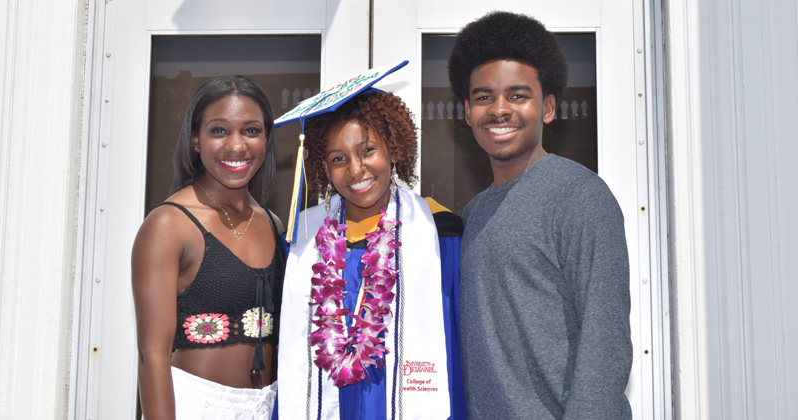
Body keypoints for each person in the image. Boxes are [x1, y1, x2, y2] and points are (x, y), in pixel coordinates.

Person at [448, 11, 633, 420]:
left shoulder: (580, 195)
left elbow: (605, 343)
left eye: (517, 95)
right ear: (466, 111)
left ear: (547, 107)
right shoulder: (475, 213)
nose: (499, 110)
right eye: (483, 96)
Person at [276, 90, 465, 419]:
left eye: (368, 151)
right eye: (339, 159)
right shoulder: (301, 240)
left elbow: (455, 341)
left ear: (394, 150)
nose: (356, 169)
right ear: (323, 166)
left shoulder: (439, 233)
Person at [131, 75, 284, 419]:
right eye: (219, 131)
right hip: (194, 405)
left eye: (250, 130)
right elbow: (151, 354)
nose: (236, 146)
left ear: (266, 139)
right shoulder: (168, 225)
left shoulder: (274, 225)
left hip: (268, 406)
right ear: (196, 140)